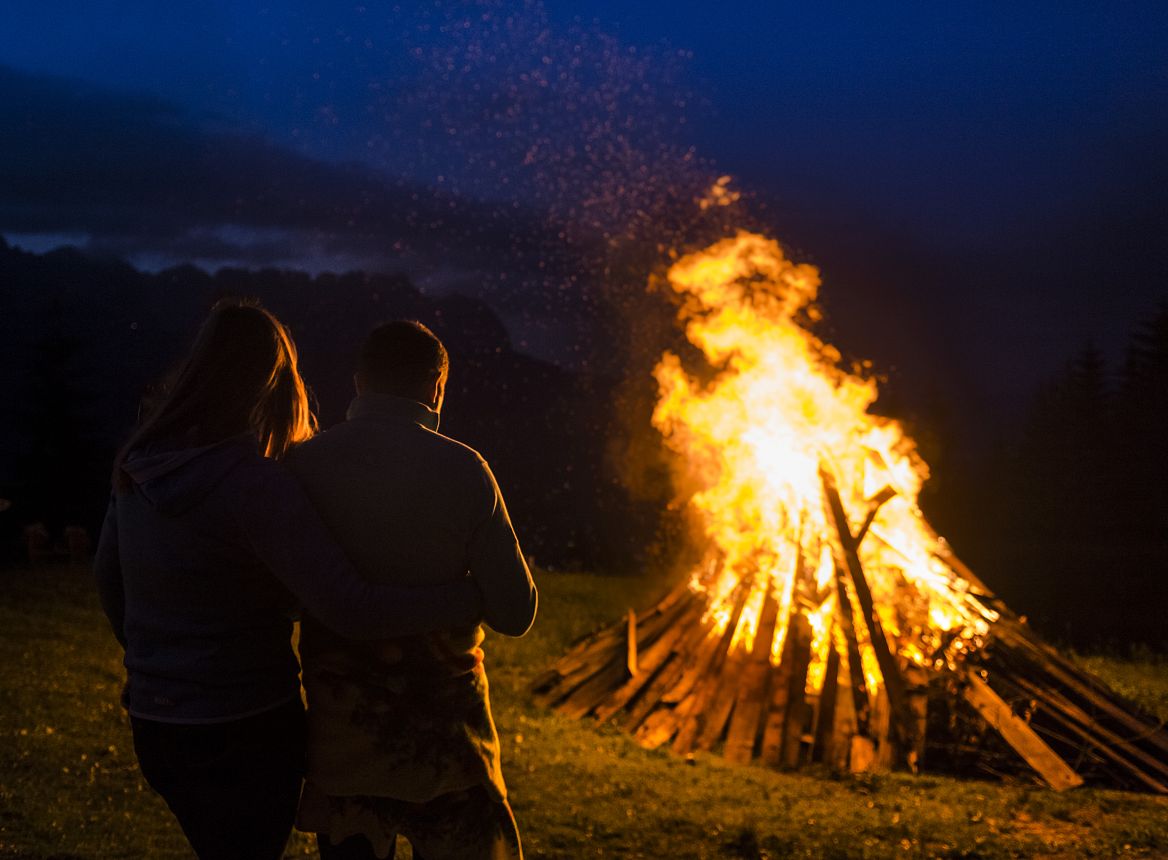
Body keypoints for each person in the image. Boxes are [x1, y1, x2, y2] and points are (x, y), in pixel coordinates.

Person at [92, 300, 484, 860]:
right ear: (274, 381)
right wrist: (467, 597)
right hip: (245, 728)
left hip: (158, 727)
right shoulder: (255, 486)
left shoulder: (139, 463)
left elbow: (109, 578)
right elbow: (351, 608)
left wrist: (156, 661)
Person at [287, 320, 537, 860]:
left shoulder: (305, 465)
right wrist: (469, 594)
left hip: (345, 741)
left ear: (359, 383)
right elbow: (516, 612)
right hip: (447, 746)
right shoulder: (466, 469)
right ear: (436, 385)